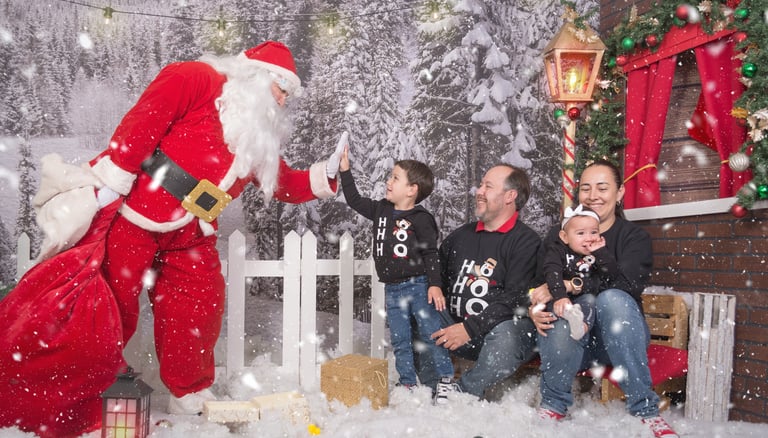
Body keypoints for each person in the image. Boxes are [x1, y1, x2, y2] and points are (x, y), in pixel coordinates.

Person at [0, 41, 344, 438]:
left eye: (287, 95)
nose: (283, 101)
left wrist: (327, 173)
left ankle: (189, 389)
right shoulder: (194, 78)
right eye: (280, 89)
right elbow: (142, 124)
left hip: (193, 232)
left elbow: (282, 182)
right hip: (136, 215)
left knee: (199, 305)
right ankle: (87, 391)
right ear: (255, 76)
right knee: (110, 307)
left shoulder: (256, 135)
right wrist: (114, 180)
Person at [530, 160, 679, 438]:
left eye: (602, 187)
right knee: (563, 309)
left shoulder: (633, 238)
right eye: (585, 188)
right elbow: (537, 286)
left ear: (619, 193)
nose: (592, 195)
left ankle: (645, 410)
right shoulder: (559, 236)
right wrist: (534, 308)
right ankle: (553, 405)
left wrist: (572, 284)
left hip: (617, 341)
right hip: (573, 343)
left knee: (612, 298)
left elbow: (626, 285)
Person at [338, 144, 455, 404]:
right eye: (390, 177)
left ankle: (445, 379)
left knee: (431, 334)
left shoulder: (421, 218)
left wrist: (434, 285)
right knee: (401, 340)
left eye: (395, 178)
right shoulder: (381, 209)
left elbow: (430, 253)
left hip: (419, 286)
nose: (388, 182)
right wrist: (345, 171)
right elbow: (354, 200)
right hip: (392, 288)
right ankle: (407, 383)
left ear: (412, 190)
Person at [418, 164, 541, 400]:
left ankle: (462, 392)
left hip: (495, 336)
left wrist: (469, 328)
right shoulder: (461, 236)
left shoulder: (526, 242)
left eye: (488, 186)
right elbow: (436, 279)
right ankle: (431, 387)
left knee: (509, 334)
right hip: (453, 331)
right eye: (481, 185)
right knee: (418, 305)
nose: (479, 191)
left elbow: (515, 299)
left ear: (510, 196)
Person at [541, 204, 605, 341]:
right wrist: (560, 295)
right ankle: (568, 314)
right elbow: (552, 272)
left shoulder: (598, 254)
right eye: (581, 233)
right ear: (565, 237)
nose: (589, 238)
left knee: (590, 301)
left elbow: (608, 276)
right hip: (558, 296)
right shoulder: (557, 251)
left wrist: (601, 253)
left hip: (583, 297)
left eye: (594, 232)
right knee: (553, 307)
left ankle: (581, 327)